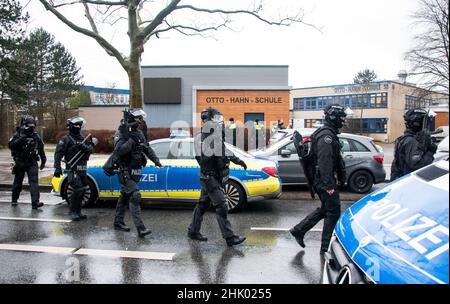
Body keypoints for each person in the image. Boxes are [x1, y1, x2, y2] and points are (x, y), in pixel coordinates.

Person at [290, 104, 347, 254]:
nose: (343, 121)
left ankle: (299, 230)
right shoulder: (326, 136)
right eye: (341, 118)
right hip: (324, 181)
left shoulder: (328, 133)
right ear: (334, 118)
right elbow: (325, 161)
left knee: (326, 210)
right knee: (333, 212)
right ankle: (325, 247)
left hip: (322, 180)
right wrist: (329, 185)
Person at [188, 107, 248, 246]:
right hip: (210, 177)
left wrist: (238, 161)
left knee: (202, 204)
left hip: (209, 176)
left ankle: (193, 231)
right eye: (216, 119)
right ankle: (230, 237)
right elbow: (204, 158)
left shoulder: (212, 136)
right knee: (221, 205)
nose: (220, 122)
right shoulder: (205, 137)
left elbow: (224, 150)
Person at [113, 108, 163, 237]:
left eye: (142, 118)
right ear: (133, 119)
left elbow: (147, 148)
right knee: (135, 195)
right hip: (123, 170)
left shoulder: (139, 133)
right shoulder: (122, 132)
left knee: (124, 196)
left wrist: (156, 161)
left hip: (135, 170)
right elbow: (120, 151)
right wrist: (131, 140)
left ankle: (118, 222)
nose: (141, 121)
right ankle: (141, 229)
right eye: (139, 118)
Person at [54, 117, 95, 220]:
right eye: (76, 125)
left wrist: (85, 147)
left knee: (83, 190)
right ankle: (72, 211)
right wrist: (57, 168)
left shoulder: (83, 139)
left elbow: (91, 149)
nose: (78, 127)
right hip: (72, 168)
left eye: (79, 125)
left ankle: (78, 211)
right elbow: (58, 154)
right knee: (78, 189)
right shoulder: (66, 139)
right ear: (71, 126)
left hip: (82, 168)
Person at [8, 116, 46, 209]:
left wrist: (43, 160)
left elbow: (41, 148)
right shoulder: (18, 135)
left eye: (33, 125)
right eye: (29, 125)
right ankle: (14, 199)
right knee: (18, 182)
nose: (31, 127)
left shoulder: (35, 136)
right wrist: (20, 140)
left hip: (32, 162)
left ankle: (35, 203)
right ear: (24, 125)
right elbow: (11, 145)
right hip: (20, 161)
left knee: (34, 182)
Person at [391, 108, 437, 181]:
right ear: (417, 123)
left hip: (403, 180)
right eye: (424, 121)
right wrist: (430, 151)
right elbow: (417, 165)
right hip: (408, 182)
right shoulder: (411, 141)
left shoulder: (406, 138)